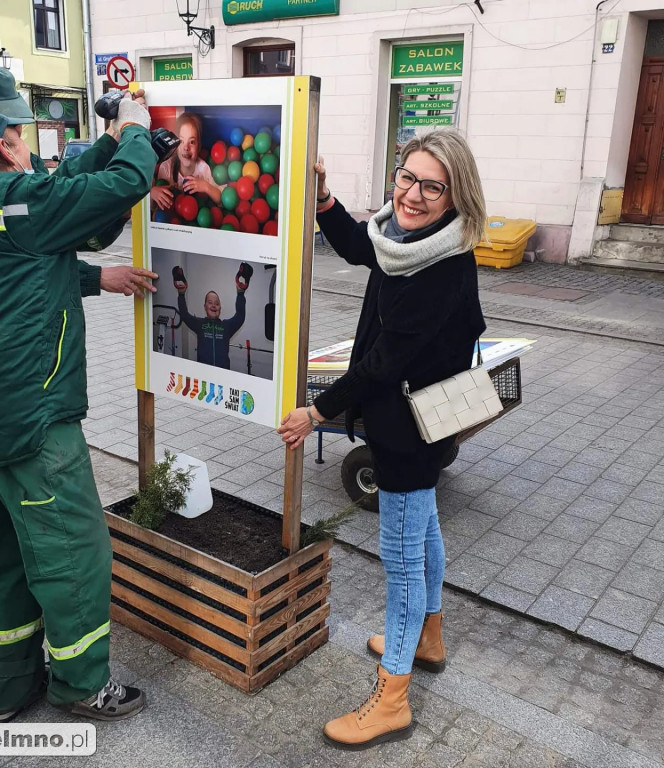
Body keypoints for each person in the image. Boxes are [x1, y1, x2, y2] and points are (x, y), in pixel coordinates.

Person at [0, 94, 157, 723]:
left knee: (0, 554)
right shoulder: (16, 201)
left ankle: (8, 687)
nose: (28, 144)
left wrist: (95, 278)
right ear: (5, 146)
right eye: (20, 135)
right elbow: (115, 190)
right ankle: (82, 684)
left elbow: (27, 254)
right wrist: (134, 132)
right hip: (25, 412)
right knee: (71, 552)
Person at [277, 129, 487, 750]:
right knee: (423, 533)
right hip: (413, 423)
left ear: (455, 195)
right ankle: (429, 638)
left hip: (407, 430)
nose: (413, 195)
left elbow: (383, 363)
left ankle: (391, 695)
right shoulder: (403, 240)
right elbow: (357, 248)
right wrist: (322, 200)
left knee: (399, 562)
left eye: (431, 185)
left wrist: (317, 413)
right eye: (406, 177)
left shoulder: (441, 266)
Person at [173, 262, 252, 369]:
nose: (214, 305)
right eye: (210, 302)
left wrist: (241, 293)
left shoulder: (226, 326)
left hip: (223, 375)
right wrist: (181, 294)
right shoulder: (199, 324)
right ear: (205, 306)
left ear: (220, 308)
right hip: (204, 374)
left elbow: (240, 316)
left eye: (217, 303)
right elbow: (185, 315)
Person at [150, 112, 224, 208]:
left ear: (199, 145)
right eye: (181, 141)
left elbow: (220, 199)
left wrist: (206, 187)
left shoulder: (203, 168)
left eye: (192, 142)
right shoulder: (166, 167)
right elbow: (158, 205)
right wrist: (153, 192)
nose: (186, 147)